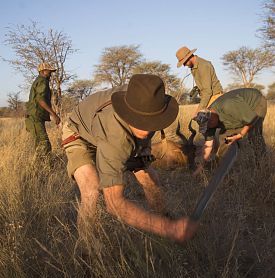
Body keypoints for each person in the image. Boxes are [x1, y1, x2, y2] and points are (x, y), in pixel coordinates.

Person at [62, 74, 200, 243]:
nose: (146, 128)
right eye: (139, 120)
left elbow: (143, 133)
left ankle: (166, 223)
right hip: (79, 134)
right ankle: (88, 253)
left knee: (150, 178)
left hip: (112, 131)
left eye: (152, 121)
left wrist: (167, 224)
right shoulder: (115, 134)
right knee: (91, 190)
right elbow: (113, 204)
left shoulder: (146, 99)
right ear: (127, 111)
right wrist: (168, 229)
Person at [193, 88, 267, 175]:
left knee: (254, 136)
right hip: (234, 115)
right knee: (225, 140)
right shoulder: (207, 122)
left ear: (213, 119)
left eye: (208, 126)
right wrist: (200, 167)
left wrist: (241, 134)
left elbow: (252, 119)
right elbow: (208, 145)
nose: (208, 129)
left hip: (255, 104)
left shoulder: (228, 106)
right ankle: (226, 170)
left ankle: (263, 168)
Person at [25, 62, 61, 156]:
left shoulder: (39, 81)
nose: (51, 74)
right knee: (44, 144)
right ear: (44, 71)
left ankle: (42, 166)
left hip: (34, 117)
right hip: (35, 117)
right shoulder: (42, 81)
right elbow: (40, 100)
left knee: (41, 144)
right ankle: (42, 168)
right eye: (49, 71)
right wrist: (54, 114)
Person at [176, 46, 223, 114]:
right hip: (209, 97)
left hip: (214, 97)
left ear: (189, 57)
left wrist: (199, 110)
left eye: (184, 62)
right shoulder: (194, 67)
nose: (184, 65)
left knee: (204, 121)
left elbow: (207, 92)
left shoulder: (203, 66)